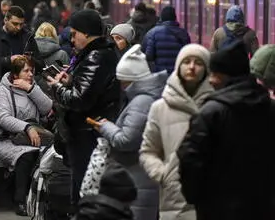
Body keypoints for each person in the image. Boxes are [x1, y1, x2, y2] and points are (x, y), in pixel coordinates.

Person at [177, 40, 275, 220]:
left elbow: (190, 159)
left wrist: (196, 197)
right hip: (262, 208)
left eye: (215, 74)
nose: (211, 80)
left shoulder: (211, 113)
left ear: (227, 76)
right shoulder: (269, 107)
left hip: (217, 209)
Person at [47, 9, 120, 208]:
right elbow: (90, 88)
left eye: (74, 34)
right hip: (89, 132)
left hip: (87, 134)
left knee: (84, 191)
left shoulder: (95, 56)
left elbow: (80, 99)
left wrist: (57, 87)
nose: (72, 40)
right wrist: (72, 80)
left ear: (86, 33)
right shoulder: (100, 54)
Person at [139, 44, 213, 220]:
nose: (192, 67)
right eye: (186, 62)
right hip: (174, 198)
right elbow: (148, 151)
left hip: (211, 197)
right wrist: (164, 174)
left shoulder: (216, 107)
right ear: (178, 66)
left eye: (198, 63)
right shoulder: (160, 108)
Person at [93, 45, 166, 220]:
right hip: (138, 177)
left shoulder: (141, 102)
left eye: (124, 82)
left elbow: (127, 140)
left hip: (137, 179)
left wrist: (105, 127)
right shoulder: (146, 98)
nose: (122, 86)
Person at [0, 55, 53, 216]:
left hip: (33, 138)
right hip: (8, 139)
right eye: (26, 71)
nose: (31, 74)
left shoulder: (32, 87)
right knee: (27, 155)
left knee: (43, 155)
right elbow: (3, 118)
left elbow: (47, 107)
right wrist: (26, 127)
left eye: (32, 71)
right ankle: (20, 200)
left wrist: (31, 89)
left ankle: (40, 198)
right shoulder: (3, 90)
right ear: (15, 75)